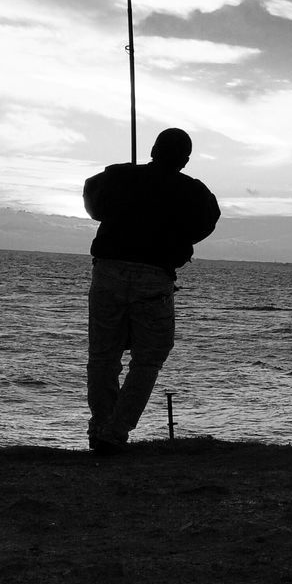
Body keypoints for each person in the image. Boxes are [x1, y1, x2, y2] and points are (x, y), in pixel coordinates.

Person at [82, 127, 220, 454]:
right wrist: (180, 240)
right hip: (154, 278)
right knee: (147, 360)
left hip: (109, 271)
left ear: (154, 149)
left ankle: (103, 427)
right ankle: (113, 433)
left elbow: (92, 200)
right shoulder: (193, 192)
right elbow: (209, 219)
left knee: (103, 357)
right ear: (184, 160)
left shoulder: (118, 176)